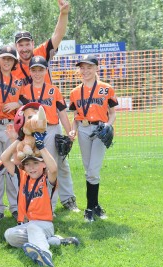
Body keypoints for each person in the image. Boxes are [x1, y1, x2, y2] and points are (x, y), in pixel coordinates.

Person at [1, 126, 79, 267]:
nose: (32, 168)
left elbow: (54, 169)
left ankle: (45, 254)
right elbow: (4, 159)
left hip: (44, 224)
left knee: (33, 228)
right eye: (28, 165)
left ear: (43, 164)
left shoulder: (47, 180)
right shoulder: (22, 178)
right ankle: (54, 241)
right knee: (9, 235)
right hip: (27, 225)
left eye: (35, 163)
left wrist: (42, 147)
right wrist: (18, 139)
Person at [20, 56, 79, 214]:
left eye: (41, 70)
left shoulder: (53, 90)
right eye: (34, 70)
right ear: (30, 71)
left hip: (52, 129)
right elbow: (24, 113)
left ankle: (62, 201)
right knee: (39, 167)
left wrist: (69, 132)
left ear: (46, 71)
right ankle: (44, 204)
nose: (37, 73)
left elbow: (61, 112)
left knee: (57, 166)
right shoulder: (25, 90)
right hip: (34, 132)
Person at [68, 54, 118, 222]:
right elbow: (75, 115)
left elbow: (112, 113)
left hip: (99, 129)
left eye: (89, 67)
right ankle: (95, 206)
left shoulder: (106, 88)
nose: (85, 70)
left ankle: (89, 209)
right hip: (82, 129)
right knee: (88, 169)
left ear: (96, 68)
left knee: (93, 170)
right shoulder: (75, 92)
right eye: (82, 67)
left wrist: (108, 125)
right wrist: (72, 131)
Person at [0, 14, 23, 219]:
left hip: (11, 127)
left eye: (10, 59)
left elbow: (30, 101)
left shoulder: (19, 80)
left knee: (13, 166)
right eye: (3, 58)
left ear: (14, 62)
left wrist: (19, 103)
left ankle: (16, 206)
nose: (6, 61)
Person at [13, 0, 70, 86]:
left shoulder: (41, 52)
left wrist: (64, 13)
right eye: (21, 45)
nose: (24, 49)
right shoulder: (12, 67)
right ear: (16, 46)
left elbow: (58, 35)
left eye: (27, 44)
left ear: (33, 44)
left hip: (48, 98)